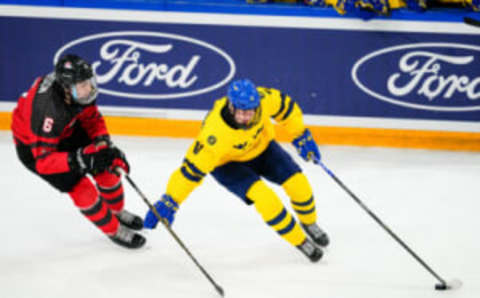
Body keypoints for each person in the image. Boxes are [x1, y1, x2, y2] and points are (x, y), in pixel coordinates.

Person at [144, 79, 329, 262]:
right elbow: (190, 172)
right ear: (231, 107)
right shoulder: (214, 134)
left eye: (250, 112)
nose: (246, 118)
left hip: (262, 149)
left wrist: (300, 134)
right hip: (228, 165)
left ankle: (309, 222)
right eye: (241, 113)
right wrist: (171, 199)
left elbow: (285, 107)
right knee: (265, 199)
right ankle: (300, 240)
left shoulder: (263, 99)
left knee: (300, 185)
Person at [11, 54, 145, 249]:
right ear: (66, 88)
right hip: (37, 150)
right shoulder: (47, 110)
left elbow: (92, 119)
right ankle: (113, 229)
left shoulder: (77, 92)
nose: (89, 89)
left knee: (107, 169)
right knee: (82, 189)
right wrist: (79, 159)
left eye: (89, 83)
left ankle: (116, 211)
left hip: (67, 129)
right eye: (82, 86)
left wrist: (103, 144)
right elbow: (44, 161)